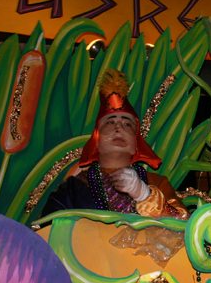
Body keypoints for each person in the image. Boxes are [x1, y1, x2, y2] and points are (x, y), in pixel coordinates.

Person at [41, 69, 188, 219]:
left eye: (127, 124)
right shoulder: (71, 189)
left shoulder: (157, 183)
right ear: (96, 140)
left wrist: (144, 195)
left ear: (136, 143)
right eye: (110, 122)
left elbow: (183, 223)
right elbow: (46, 229)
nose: (119, 128)